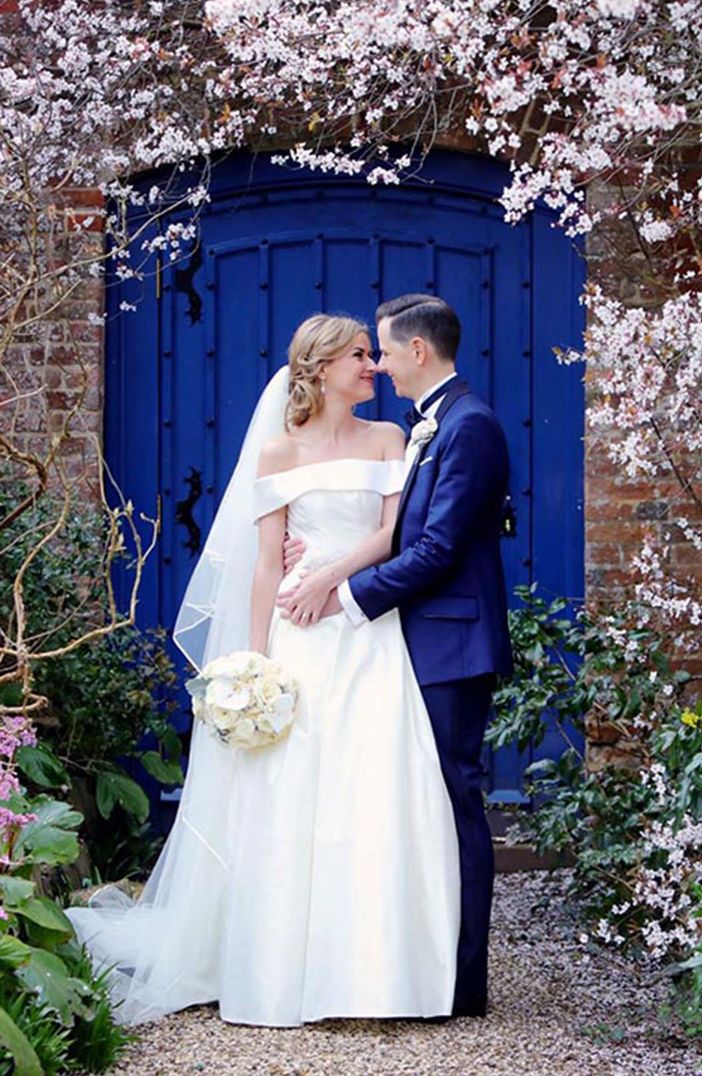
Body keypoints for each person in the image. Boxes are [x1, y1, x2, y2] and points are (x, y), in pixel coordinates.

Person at [66, 313, 461, 1027]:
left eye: (374, 354)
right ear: (319, 370)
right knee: (288, 795)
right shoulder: (278, 453)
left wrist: (329, 578)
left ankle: (372, 979)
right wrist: (253, 665)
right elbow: (261, 565)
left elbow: (391, 533)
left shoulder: (389, 439)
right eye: (358, 357)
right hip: (296, 636)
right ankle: (280, 971)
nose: (371, 366)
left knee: (372, 789)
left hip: (364, 631)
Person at [277, 295, 513, 1017]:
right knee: (420, 810)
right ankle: (415, 962)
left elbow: (438, 549)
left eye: (382, 350)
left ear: (417, 352)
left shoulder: (469, 426)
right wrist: (315, 552)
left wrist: (343, 591)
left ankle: (461, 983)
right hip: (414, 639)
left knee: (452, 805)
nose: (376, 363)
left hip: (450, 642)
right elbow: (400, 528)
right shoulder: (426, 426)